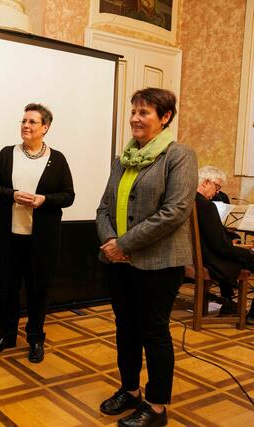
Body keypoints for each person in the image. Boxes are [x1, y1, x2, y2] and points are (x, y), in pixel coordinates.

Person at [96, 88, 197, 427]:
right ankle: (130, 390)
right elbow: (103, 207)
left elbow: (175, 211)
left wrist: (124, 243)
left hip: (159, 263)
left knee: (154, 333)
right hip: (119, 262)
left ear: (165, 117)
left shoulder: (179, 155)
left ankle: (156, 407)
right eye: (134, 112)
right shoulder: (122, 159)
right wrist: (110, 241)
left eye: (144, 112)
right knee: (126, 328)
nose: (135, 119)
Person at [0, 103, 74, 363]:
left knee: (38, 289)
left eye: (32, 122)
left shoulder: (57, 159)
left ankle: (35, 339)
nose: (25, 125)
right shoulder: (6, 154)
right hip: (9, 237)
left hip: (41, 240)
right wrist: (12, 195)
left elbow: (68, 196)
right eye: (23, 121)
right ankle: (6, 335)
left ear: (45, 128)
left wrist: (44, 200)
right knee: (6, 288)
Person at [195, 165, 254, 320]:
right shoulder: (207, 207)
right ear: (205, 182)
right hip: (212, 261)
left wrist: (230, 240)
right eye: (217, 187)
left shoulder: (190, 201)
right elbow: (221, 247)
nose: (217, 192)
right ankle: (252, 315)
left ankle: (228, 303)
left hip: (198, 257)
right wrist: (248, 252)